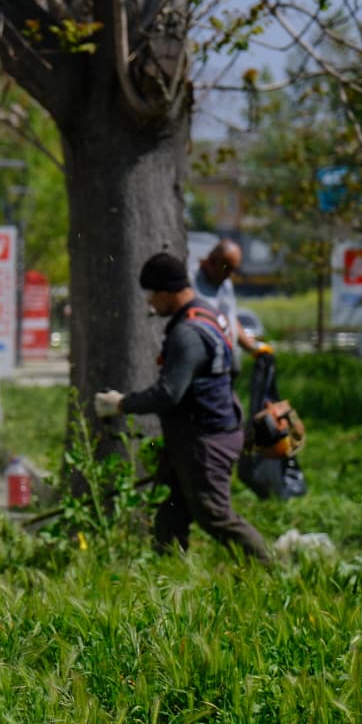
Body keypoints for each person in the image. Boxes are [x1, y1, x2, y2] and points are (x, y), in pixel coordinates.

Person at [95, 252, 271, 566]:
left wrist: (121, 403)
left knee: (214, 515)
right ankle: (167, 575)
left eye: (152, 294)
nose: (150, 302)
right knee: (170, 512)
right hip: (198, 433)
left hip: (206, 439)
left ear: (167, 291)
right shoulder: (210, 314)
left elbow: (169, 393)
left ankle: (270, 570)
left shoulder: (187, 333)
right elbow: (230, 368)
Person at [193, 238, 262, 367]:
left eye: (233, 269)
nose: (230, 274)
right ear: (212, 260)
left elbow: (229, 318)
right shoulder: (192, 280)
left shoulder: (225, 284)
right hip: (203, 365)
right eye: (226, 267)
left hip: (225, 366)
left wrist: (253, 348)